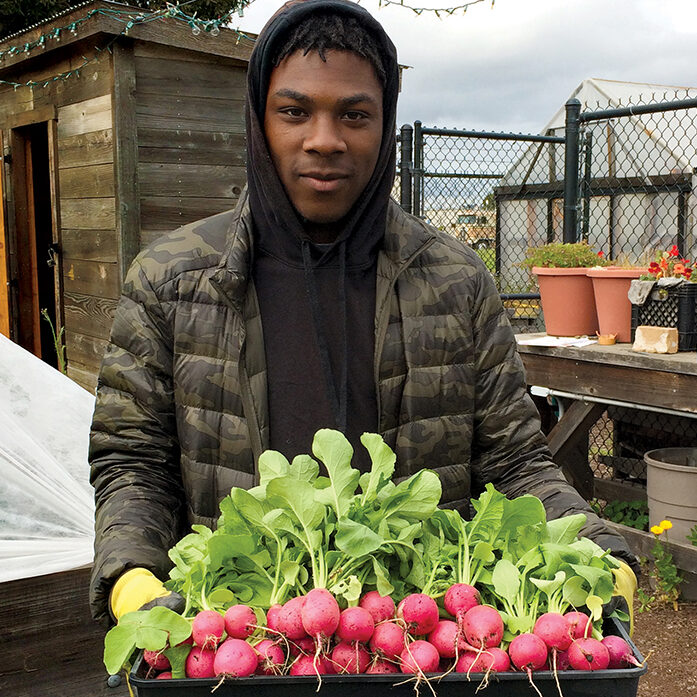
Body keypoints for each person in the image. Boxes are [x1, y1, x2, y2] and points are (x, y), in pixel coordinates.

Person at [89, 0, 637, 627]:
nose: (324, 140)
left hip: (419, 645)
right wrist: (132, 574)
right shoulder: (173, 278)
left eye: (354, 114)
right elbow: (133, 461)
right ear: (258, 121)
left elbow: (516, 460)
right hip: (235, 640)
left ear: (386, 126)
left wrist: (597, 550)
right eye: (294, 112)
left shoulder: (455, 283)